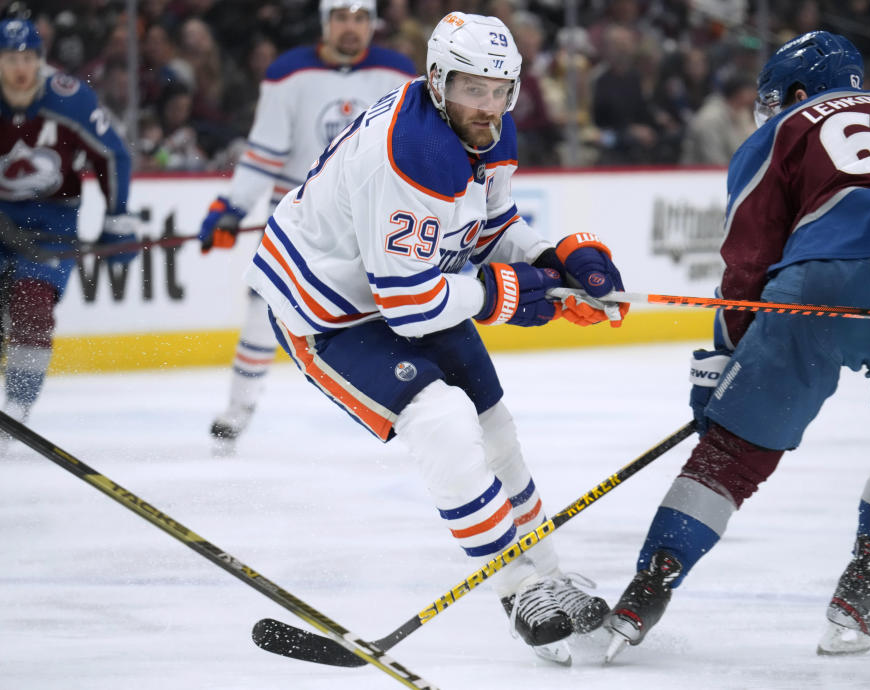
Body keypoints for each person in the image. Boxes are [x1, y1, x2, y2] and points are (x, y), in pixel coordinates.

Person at [243, 11, 629, 663]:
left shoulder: (485, 129)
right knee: (445, 420)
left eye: (501, 89)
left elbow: (487, 226)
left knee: (496, 427)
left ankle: (550, 575)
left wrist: (557, 258)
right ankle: (519, 588)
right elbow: (409, 305)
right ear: (438, 80)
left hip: (409, 286)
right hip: (329, 312)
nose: (490, 106)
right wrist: (509, 293)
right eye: (473, 89)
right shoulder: (410, 153)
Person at [603, 30, 870, 661]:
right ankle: (860, 592)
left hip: (824, 278)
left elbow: (747, 262)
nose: (765, 111)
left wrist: (719, 377)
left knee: (733, 456)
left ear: (796, 93)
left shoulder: (783, 128)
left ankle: (640, 600)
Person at [196, 0, 417, 453]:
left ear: (372, 22)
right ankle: (237, 411)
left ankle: (412, 408)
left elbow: (408, 151)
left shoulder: (398, 74)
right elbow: (264, 152)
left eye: (360, 18)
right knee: (262, 313)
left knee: (398, 314)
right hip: (295, 223)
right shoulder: (288, 73)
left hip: (366, 224)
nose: (351, 28)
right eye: (342, 17)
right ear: (325, 23)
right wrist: (231, 206)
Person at [0, 17, 136, 433]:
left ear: (41, 61)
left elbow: (114, 156)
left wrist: (118, 220)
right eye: (10, 59)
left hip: (52, 220)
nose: (21, 69)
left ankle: (15, 414)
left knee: (33, 308)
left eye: (29, 58)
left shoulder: (70, 99)